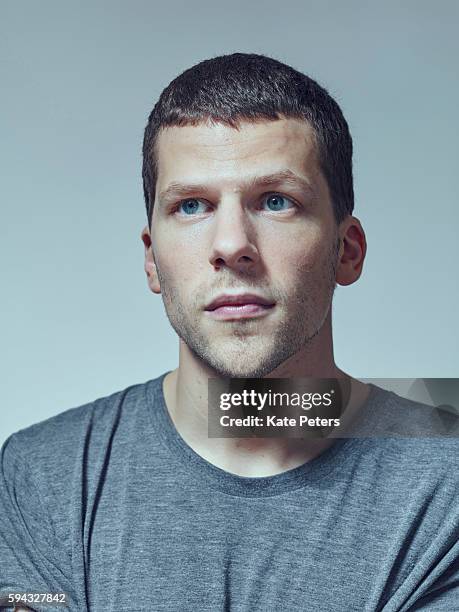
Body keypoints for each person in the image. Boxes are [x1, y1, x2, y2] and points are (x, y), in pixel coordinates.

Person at [1, 52, 457, 612]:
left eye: (276, 202)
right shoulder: (42, 478)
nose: (230, 244)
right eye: (192, 205)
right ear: (152, 260)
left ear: (348, 251)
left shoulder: (445, 479)